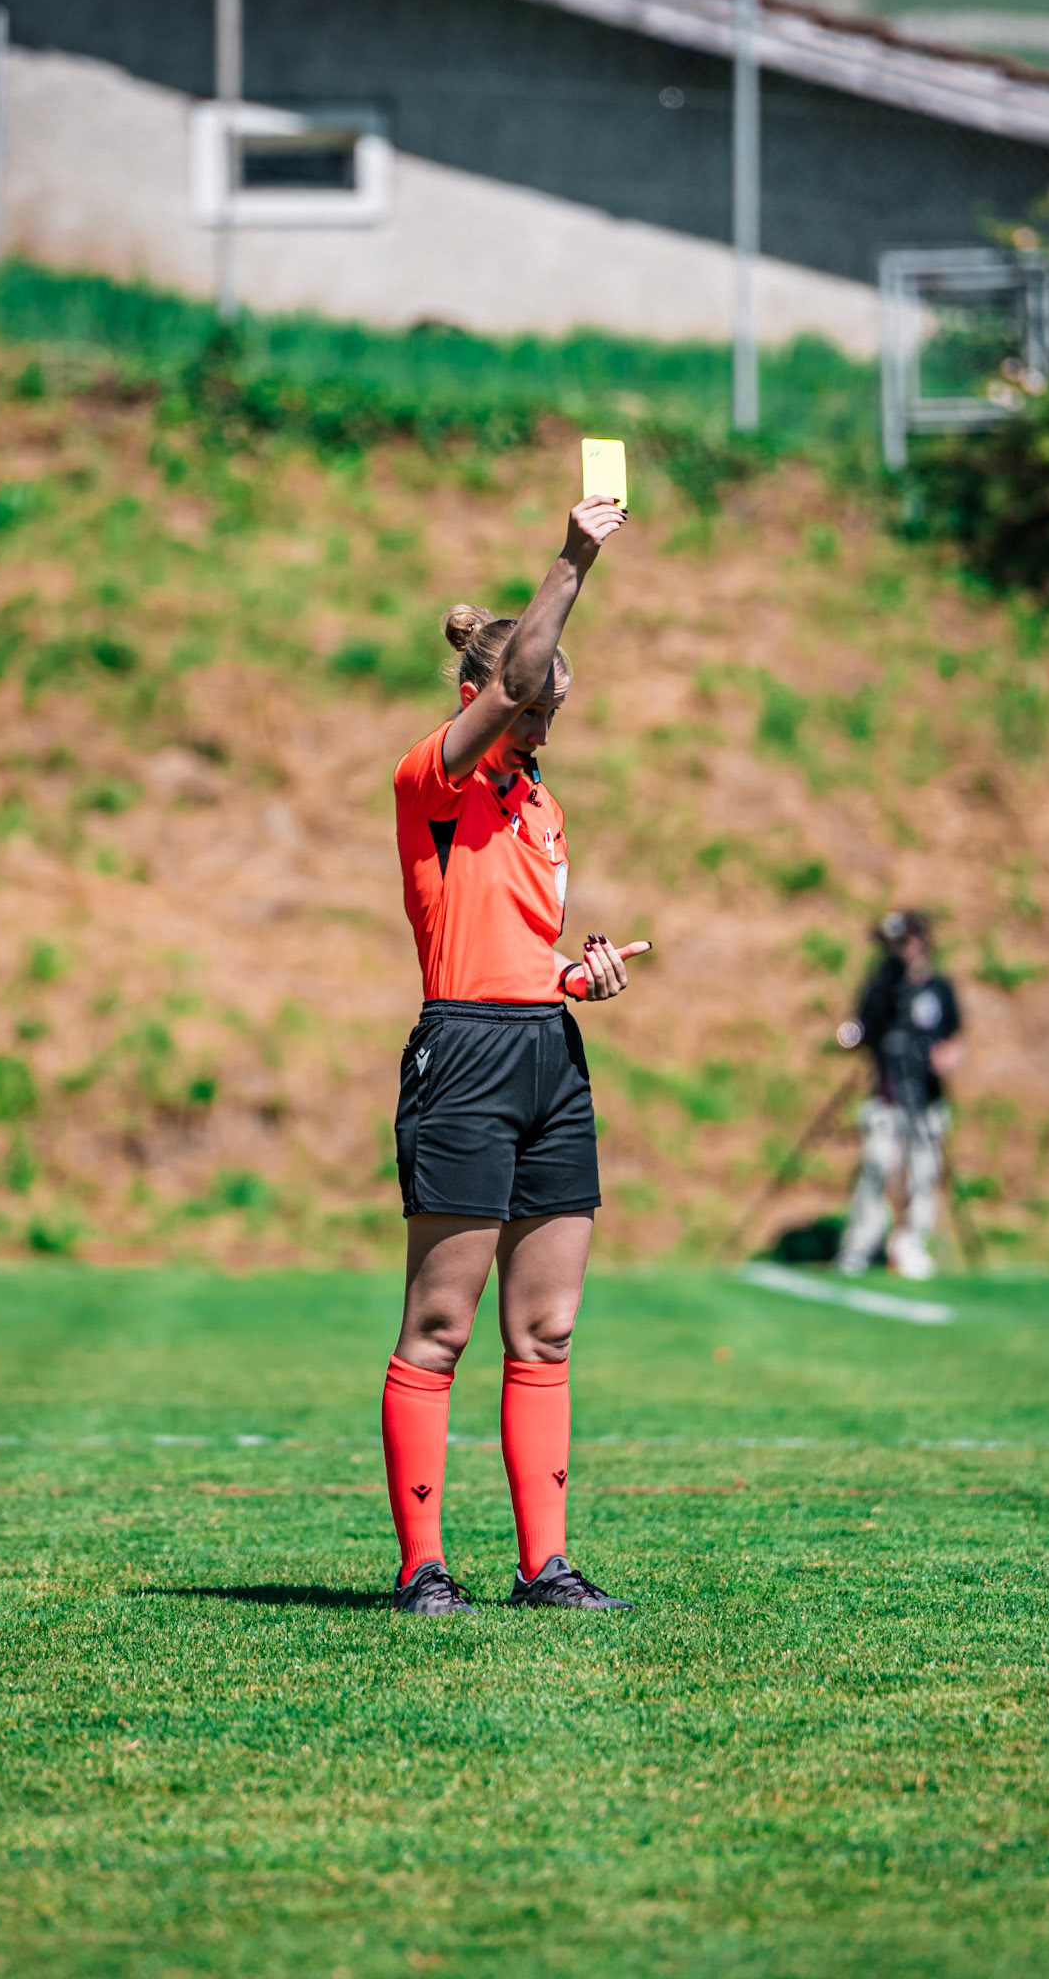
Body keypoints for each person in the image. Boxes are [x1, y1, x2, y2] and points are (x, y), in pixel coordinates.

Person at [382, 493, 649, 1615]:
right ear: (480, 699)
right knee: (441, 1327)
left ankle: (545, 1566)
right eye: (531, 708)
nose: (542, 725)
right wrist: (574, 558)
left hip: (548, 1055)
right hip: (466, 1058)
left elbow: (518, 951)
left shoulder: (542, 805)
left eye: (553, 714)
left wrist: (577, 978)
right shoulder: (433, 780)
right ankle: (421, 1567)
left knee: (546, 1328)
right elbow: (517, 677)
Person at [835, 911, 965, 1282]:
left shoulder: (938, 989)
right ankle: (861, 1245)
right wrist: (848, 1036)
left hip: (925, 1097)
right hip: (887, 1094)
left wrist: (948, 1056)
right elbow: (859, 1030)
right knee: (876, 1167)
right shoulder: (880, 988)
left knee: (923, 1172)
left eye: (903, 942)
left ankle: (910, 1244)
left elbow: (954, 1036)